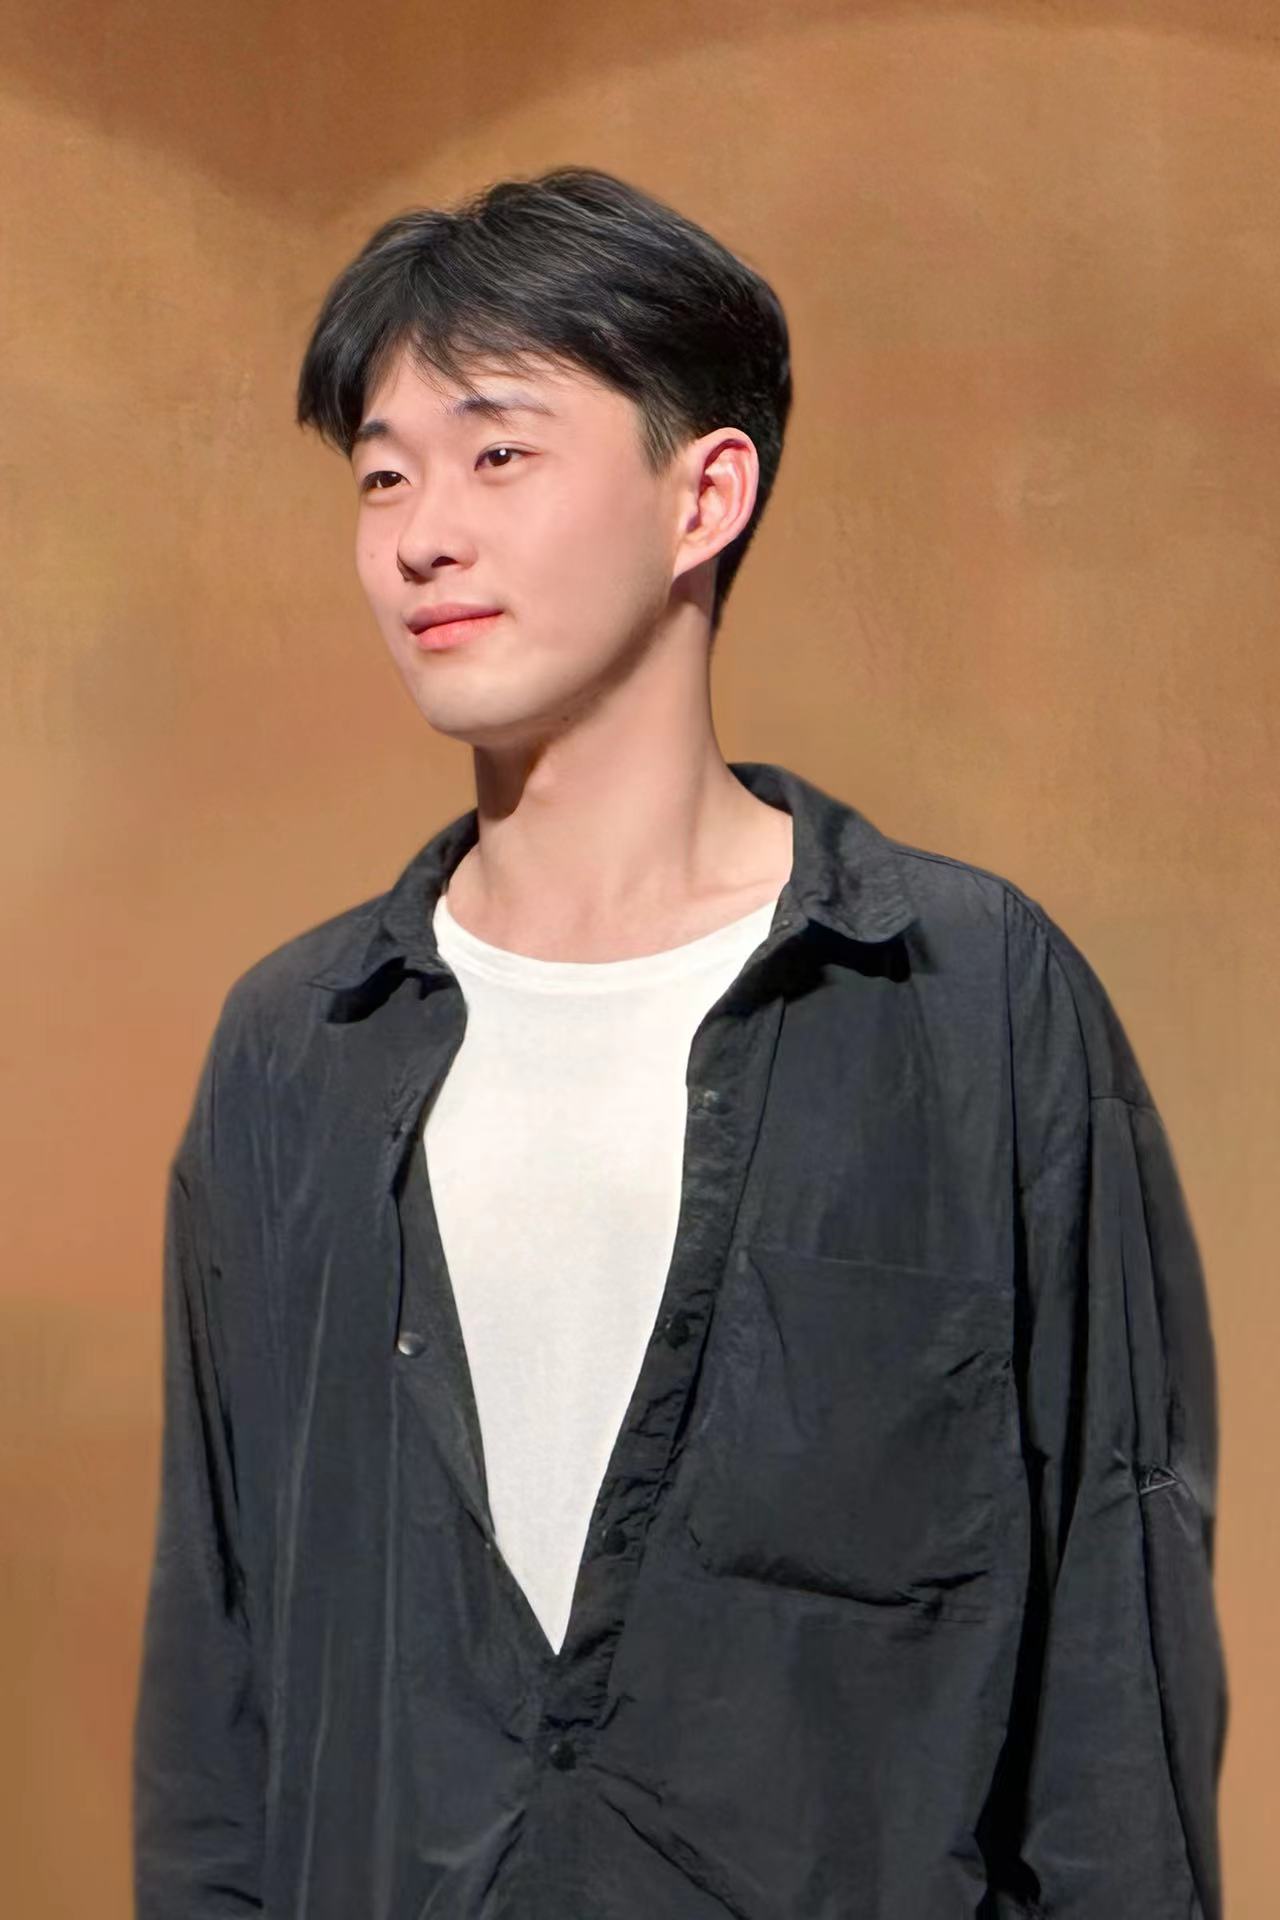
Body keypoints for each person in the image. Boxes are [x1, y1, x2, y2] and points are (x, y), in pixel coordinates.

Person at [131, 165, 1228, 1918]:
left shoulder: (971, 1000)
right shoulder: (297, 1048)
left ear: (704, 492)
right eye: (384, 475)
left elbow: (1111, 1657)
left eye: (499, 453)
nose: (421, 536)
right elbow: (222, 1695)